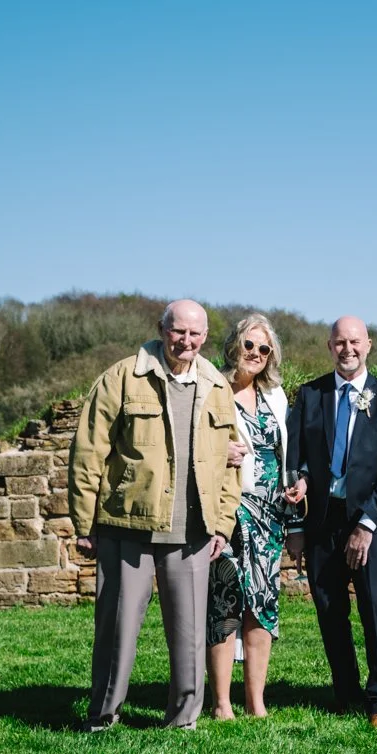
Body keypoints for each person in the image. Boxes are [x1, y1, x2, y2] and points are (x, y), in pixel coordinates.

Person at [68, 299, 242, 731]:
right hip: (127, 526)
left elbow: (232, 464)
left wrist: (223, 523)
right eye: (178, 331)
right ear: (162, 329)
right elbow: (88, 453)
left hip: (193, 531)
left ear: (205, 336)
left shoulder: (216, 385)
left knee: (189, 634)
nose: (186, 341)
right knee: (118, 629)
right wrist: (85, 524)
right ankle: (103, 715)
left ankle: (183, 720)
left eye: (195, 334)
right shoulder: (122, 376)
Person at [286, 316, 377, 728]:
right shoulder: (310, 394)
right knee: (329, 607)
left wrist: (366, 525)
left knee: (374, 606)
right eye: (340, 342)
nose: (347, 349)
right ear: (329, 346)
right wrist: (298, 509)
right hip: (322, 520)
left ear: (368, 345)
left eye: (355, 342)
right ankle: (346, 691)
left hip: (370, 519)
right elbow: (297, 459)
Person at [206, 313, 292, 720]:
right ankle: (222, 703)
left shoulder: (275, 395)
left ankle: (256, 701)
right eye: (249, 345)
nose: (256, 353)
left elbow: (285, 452)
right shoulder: (213, 389)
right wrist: (218, 452)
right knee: (225, 605)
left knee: (262, 607)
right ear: (234, 345)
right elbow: (192, 442)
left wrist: (294, 485)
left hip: (270, 516)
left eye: (264, 348)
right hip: (229, 512)